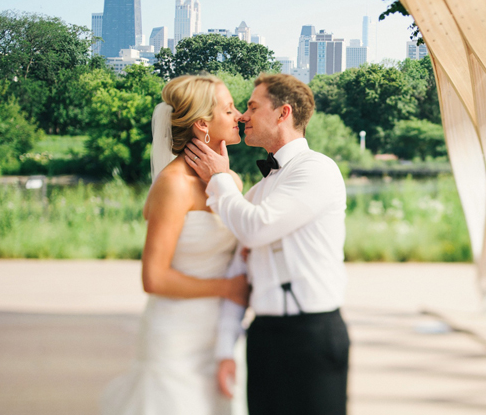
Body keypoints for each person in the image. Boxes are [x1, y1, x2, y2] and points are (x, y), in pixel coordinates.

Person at [184, 73, 350, 415]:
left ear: (282, 113)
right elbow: (239, 269)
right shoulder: (257, 192)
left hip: (312, 334)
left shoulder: (318, 170)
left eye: (252, 106)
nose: (243, 116)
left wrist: (219, 178)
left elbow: (255, 229)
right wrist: (226, 349)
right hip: (263, 337)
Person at [101, 74, 250, 415]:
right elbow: (153, 278)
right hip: (176, 337)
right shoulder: (173, 185)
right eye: (229, 110)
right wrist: (228, 288)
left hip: (221, 336)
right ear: (203, 125)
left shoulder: (231, 181)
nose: (239, 115)